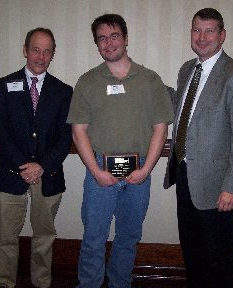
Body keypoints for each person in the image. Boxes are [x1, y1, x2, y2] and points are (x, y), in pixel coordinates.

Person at [67, 14, 173, 288]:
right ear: (97, 45)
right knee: (94, 238)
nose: (109, 42)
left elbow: (161, 128)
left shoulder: (150, 80)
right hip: (99, 172)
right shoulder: (88, 82)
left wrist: (146, 170)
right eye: (102, 38)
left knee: (128, 237)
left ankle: (120, 284)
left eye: (114, 36)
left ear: (126, 39)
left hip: (139, 172)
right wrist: (96, 172)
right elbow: (78, 131)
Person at [164, 8, 233, 288]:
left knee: (219, 258)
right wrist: (151, 88)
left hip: (219, 186)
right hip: (184, 175)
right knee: (192, 251)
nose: (201, 37)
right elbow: (184, 110)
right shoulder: (186, 70)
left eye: (209, 31)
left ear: (222, 36)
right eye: (196, 30)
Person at [0, 27, 73, 288]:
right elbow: (0, 132)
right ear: (25, 50)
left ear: (53, 55)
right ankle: (4, 283)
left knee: (44, 236)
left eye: (47, 51)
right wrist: (23, 166)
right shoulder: (3, 85)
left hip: (47, 176)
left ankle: (42, 283)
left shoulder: (63, 91)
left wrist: (41, 166)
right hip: (10, 173)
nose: (40, 56)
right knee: (6, 237)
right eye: (36, 49)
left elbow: (65, 138)